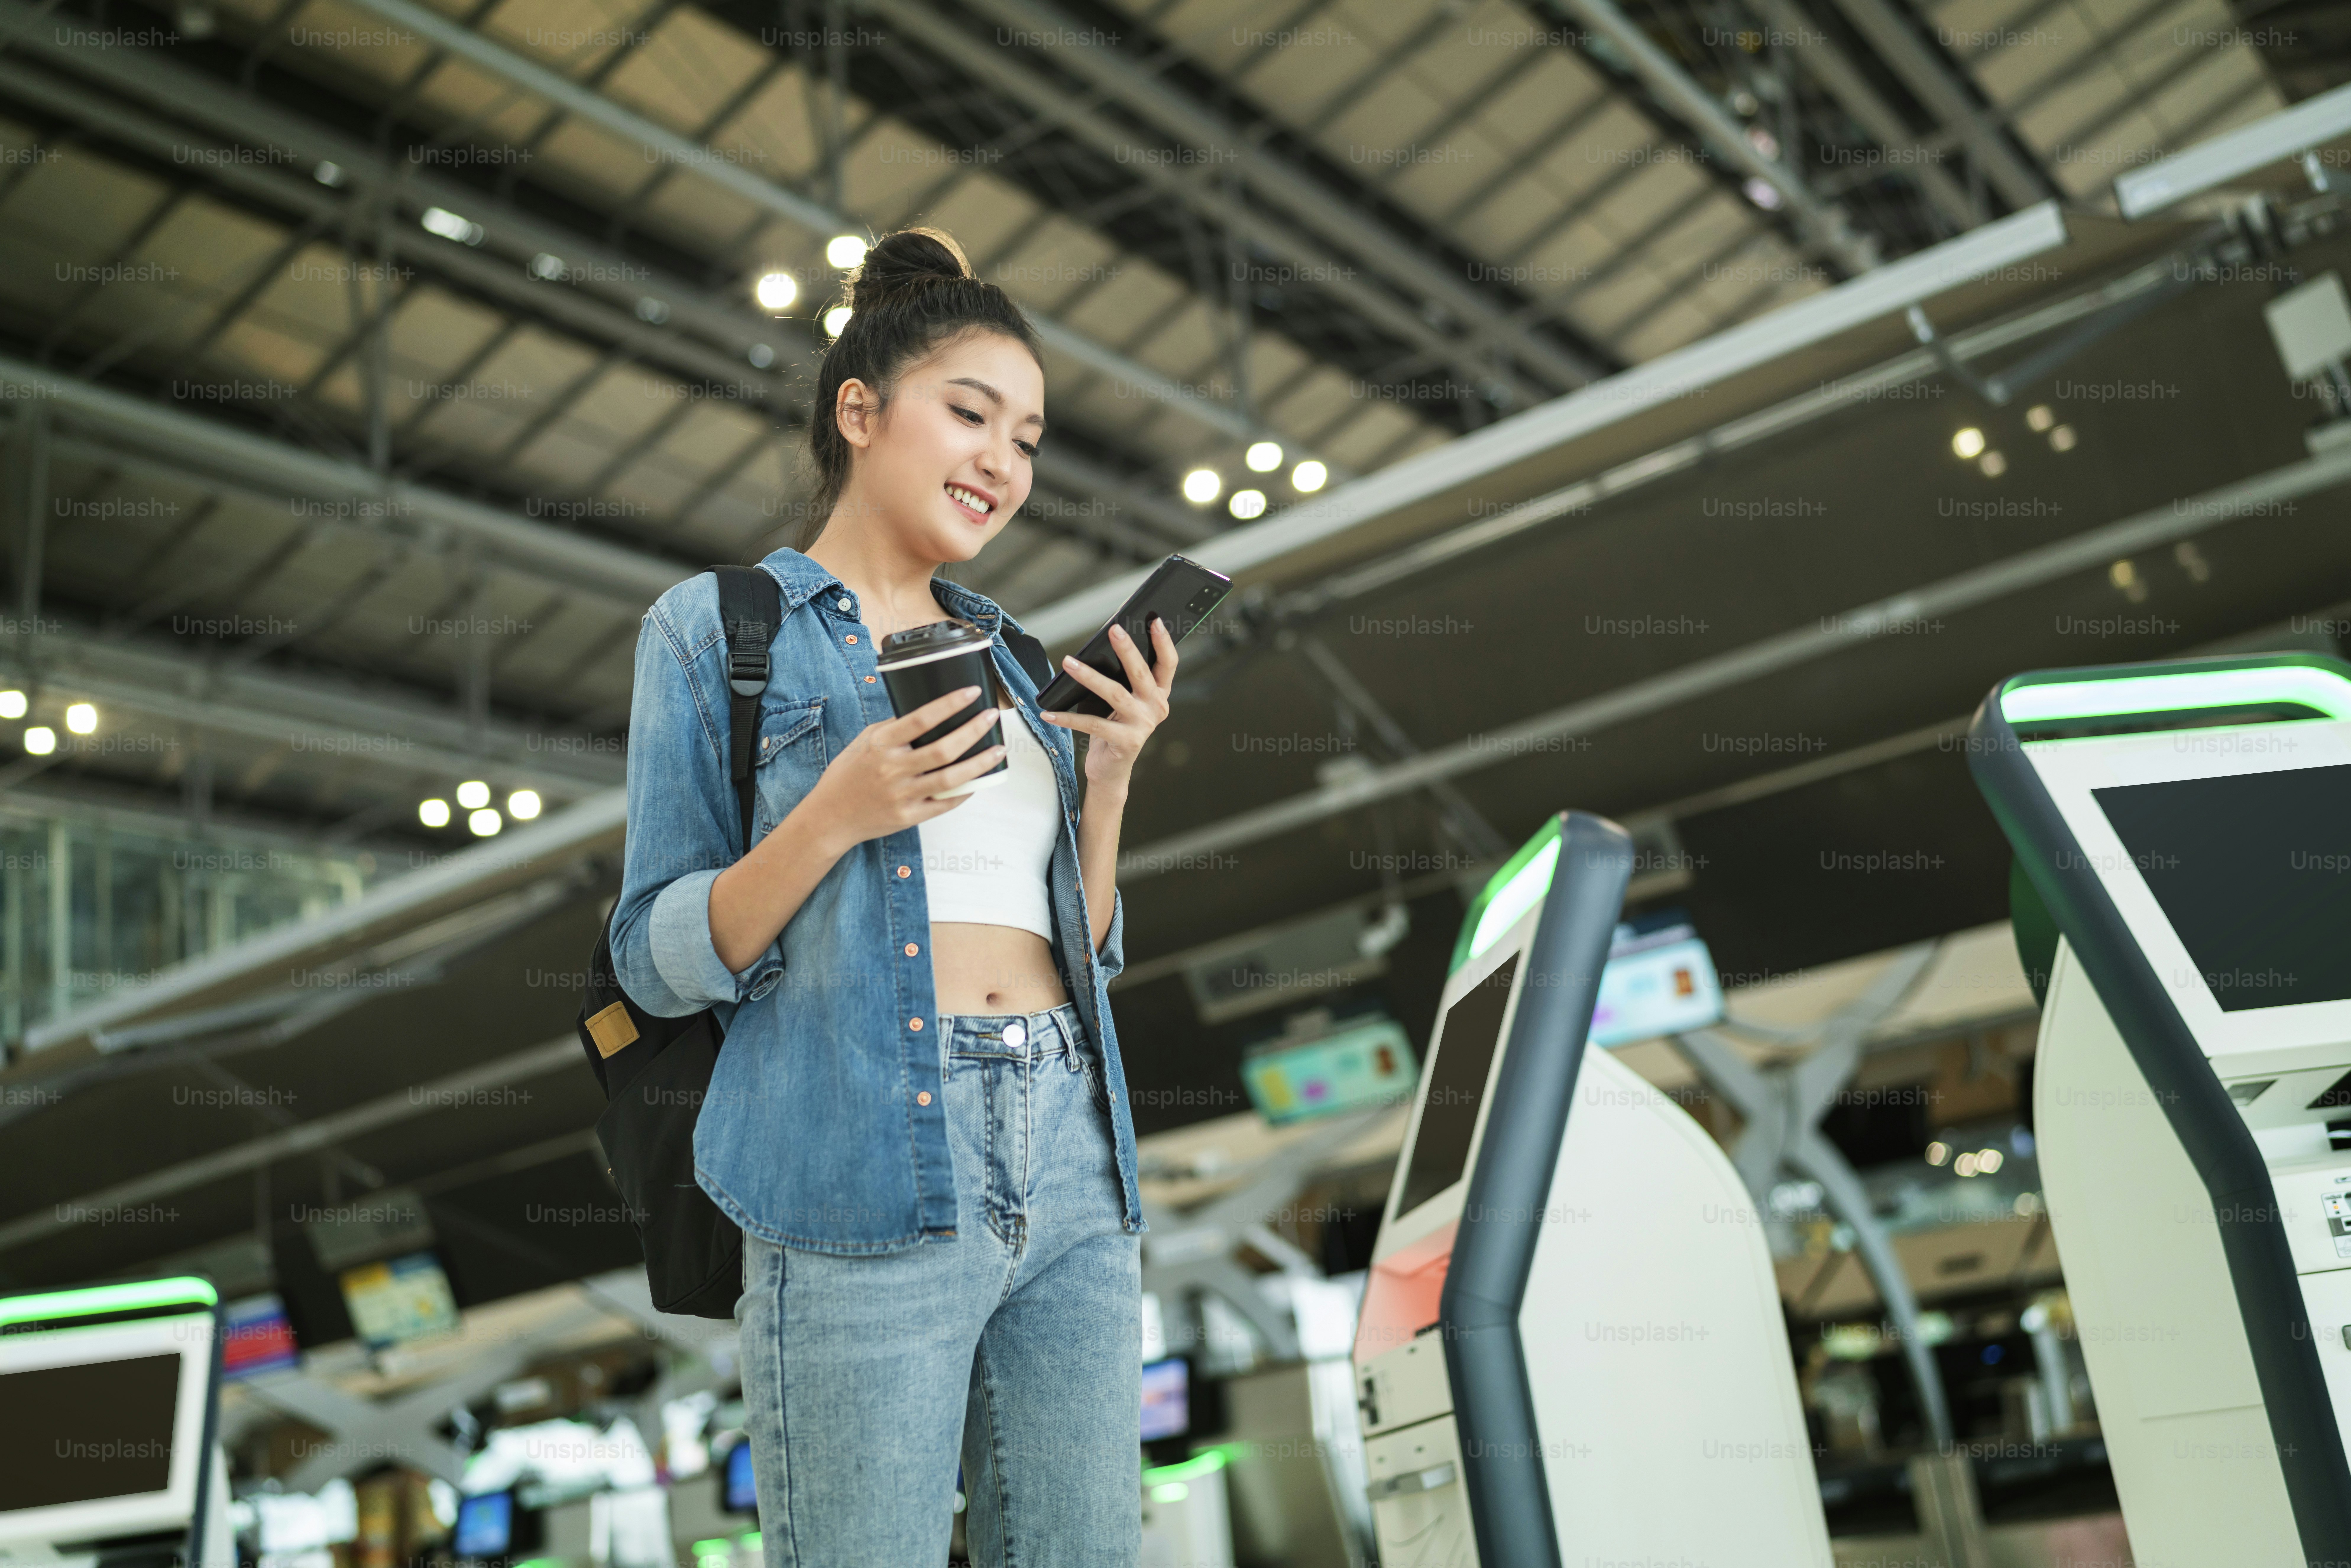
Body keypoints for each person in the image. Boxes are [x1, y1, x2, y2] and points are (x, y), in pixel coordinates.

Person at [610, 227, 1176, 1567]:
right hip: (860, 1161)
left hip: (1075, 1154)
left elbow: (1085, 954)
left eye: (1028, 438)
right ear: (858, 412)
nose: (1003, 462)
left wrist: (1107, 778)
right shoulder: (721, 630)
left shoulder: (1014, 656)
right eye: (970, 414)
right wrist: (833, 817)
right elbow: (649, 956)